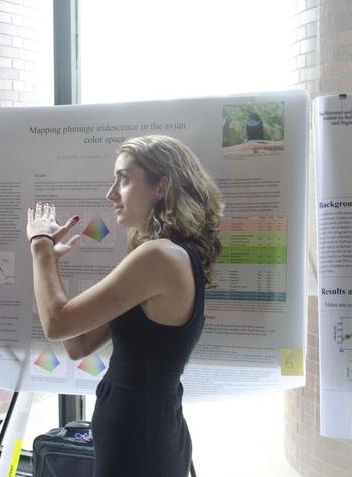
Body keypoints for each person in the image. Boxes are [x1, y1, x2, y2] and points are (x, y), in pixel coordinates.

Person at [26, 135, 223, 477]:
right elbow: (78, 344)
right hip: (142, 427)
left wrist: (40, 247)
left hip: (139, 435)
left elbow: (56, 323)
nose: (111, 193)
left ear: (161, 186)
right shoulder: (165, 256)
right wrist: (50, 264)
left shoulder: (159, 256)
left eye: (124, 179)